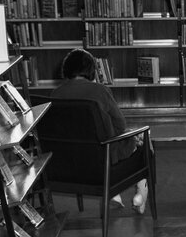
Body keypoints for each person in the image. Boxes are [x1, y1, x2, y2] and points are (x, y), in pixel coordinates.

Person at [50, 48, 147, 213]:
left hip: (68, 164)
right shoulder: (99, 91)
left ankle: (114, 194)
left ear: (66, 69)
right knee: (144, 138)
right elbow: (120, 125)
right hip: (103, 160)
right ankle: (140, 194)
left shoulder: (55, 94)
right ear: (91, 70)